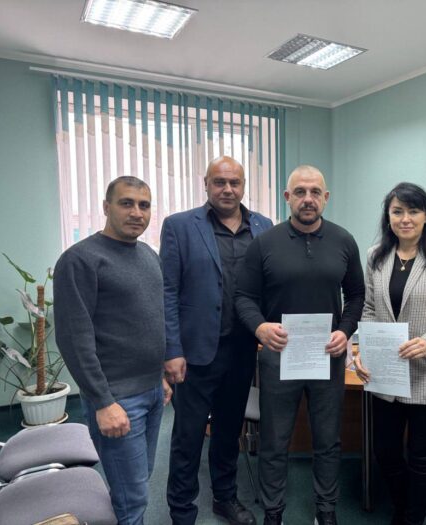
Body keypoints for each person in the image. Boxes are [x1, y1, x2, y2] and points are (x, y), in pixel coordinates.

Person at [235, 165, 365, 525]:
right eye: (300, 192)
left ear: (326, 197)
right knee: (275, 441)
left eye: (315, 192)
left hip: (328, 356)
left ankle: (326, 509)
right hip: (279, 357)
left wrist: (346, 330)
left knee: (328, 440)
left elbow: (356, 295)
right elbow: (243, 297)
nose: (308, 199)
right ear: (287, 197)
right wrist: (260, 327)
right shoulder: (265, 243)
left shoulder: (344, 241)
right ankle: (273, 511)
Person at [160, 156, 273, 525]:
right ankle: (182, 511)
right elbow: (168, 291)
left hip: (243, 349)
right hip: (195, 352)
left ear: (243, 186)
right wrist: (172, 349)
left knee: (228, 430)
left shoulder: (263, 226)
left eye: (234, 182)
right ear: (206, 184)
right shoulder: (179, 226)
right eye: (219, 182)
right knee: (188, 435)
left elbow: (270, 285)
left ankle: (225, 498)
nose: (227, 189)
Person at [354, 182, 426, 525]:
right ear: (388, 217)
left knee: (421, 457)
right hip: (386, 374)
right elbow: (370, 310)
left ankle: (412, 518)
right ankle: (402, 506)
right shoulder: (375, 255)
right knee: (386, 452)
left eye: (413, 211)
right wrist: (363, 349)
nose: (405, 218)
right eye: (397, 211)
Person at [54, 176, 171, 525]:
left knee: (138, 481)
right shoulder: (80, 260)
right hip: (116, 398)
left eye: (144, 205)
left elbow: (150, 321)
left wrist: (160, 376)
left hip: (151, 392)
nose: (137, 212)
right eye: (126, 203)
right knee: (132, 498)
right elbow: (74, 338)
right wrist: (103, 402)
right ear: (106, 207)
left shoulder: (148, 255)